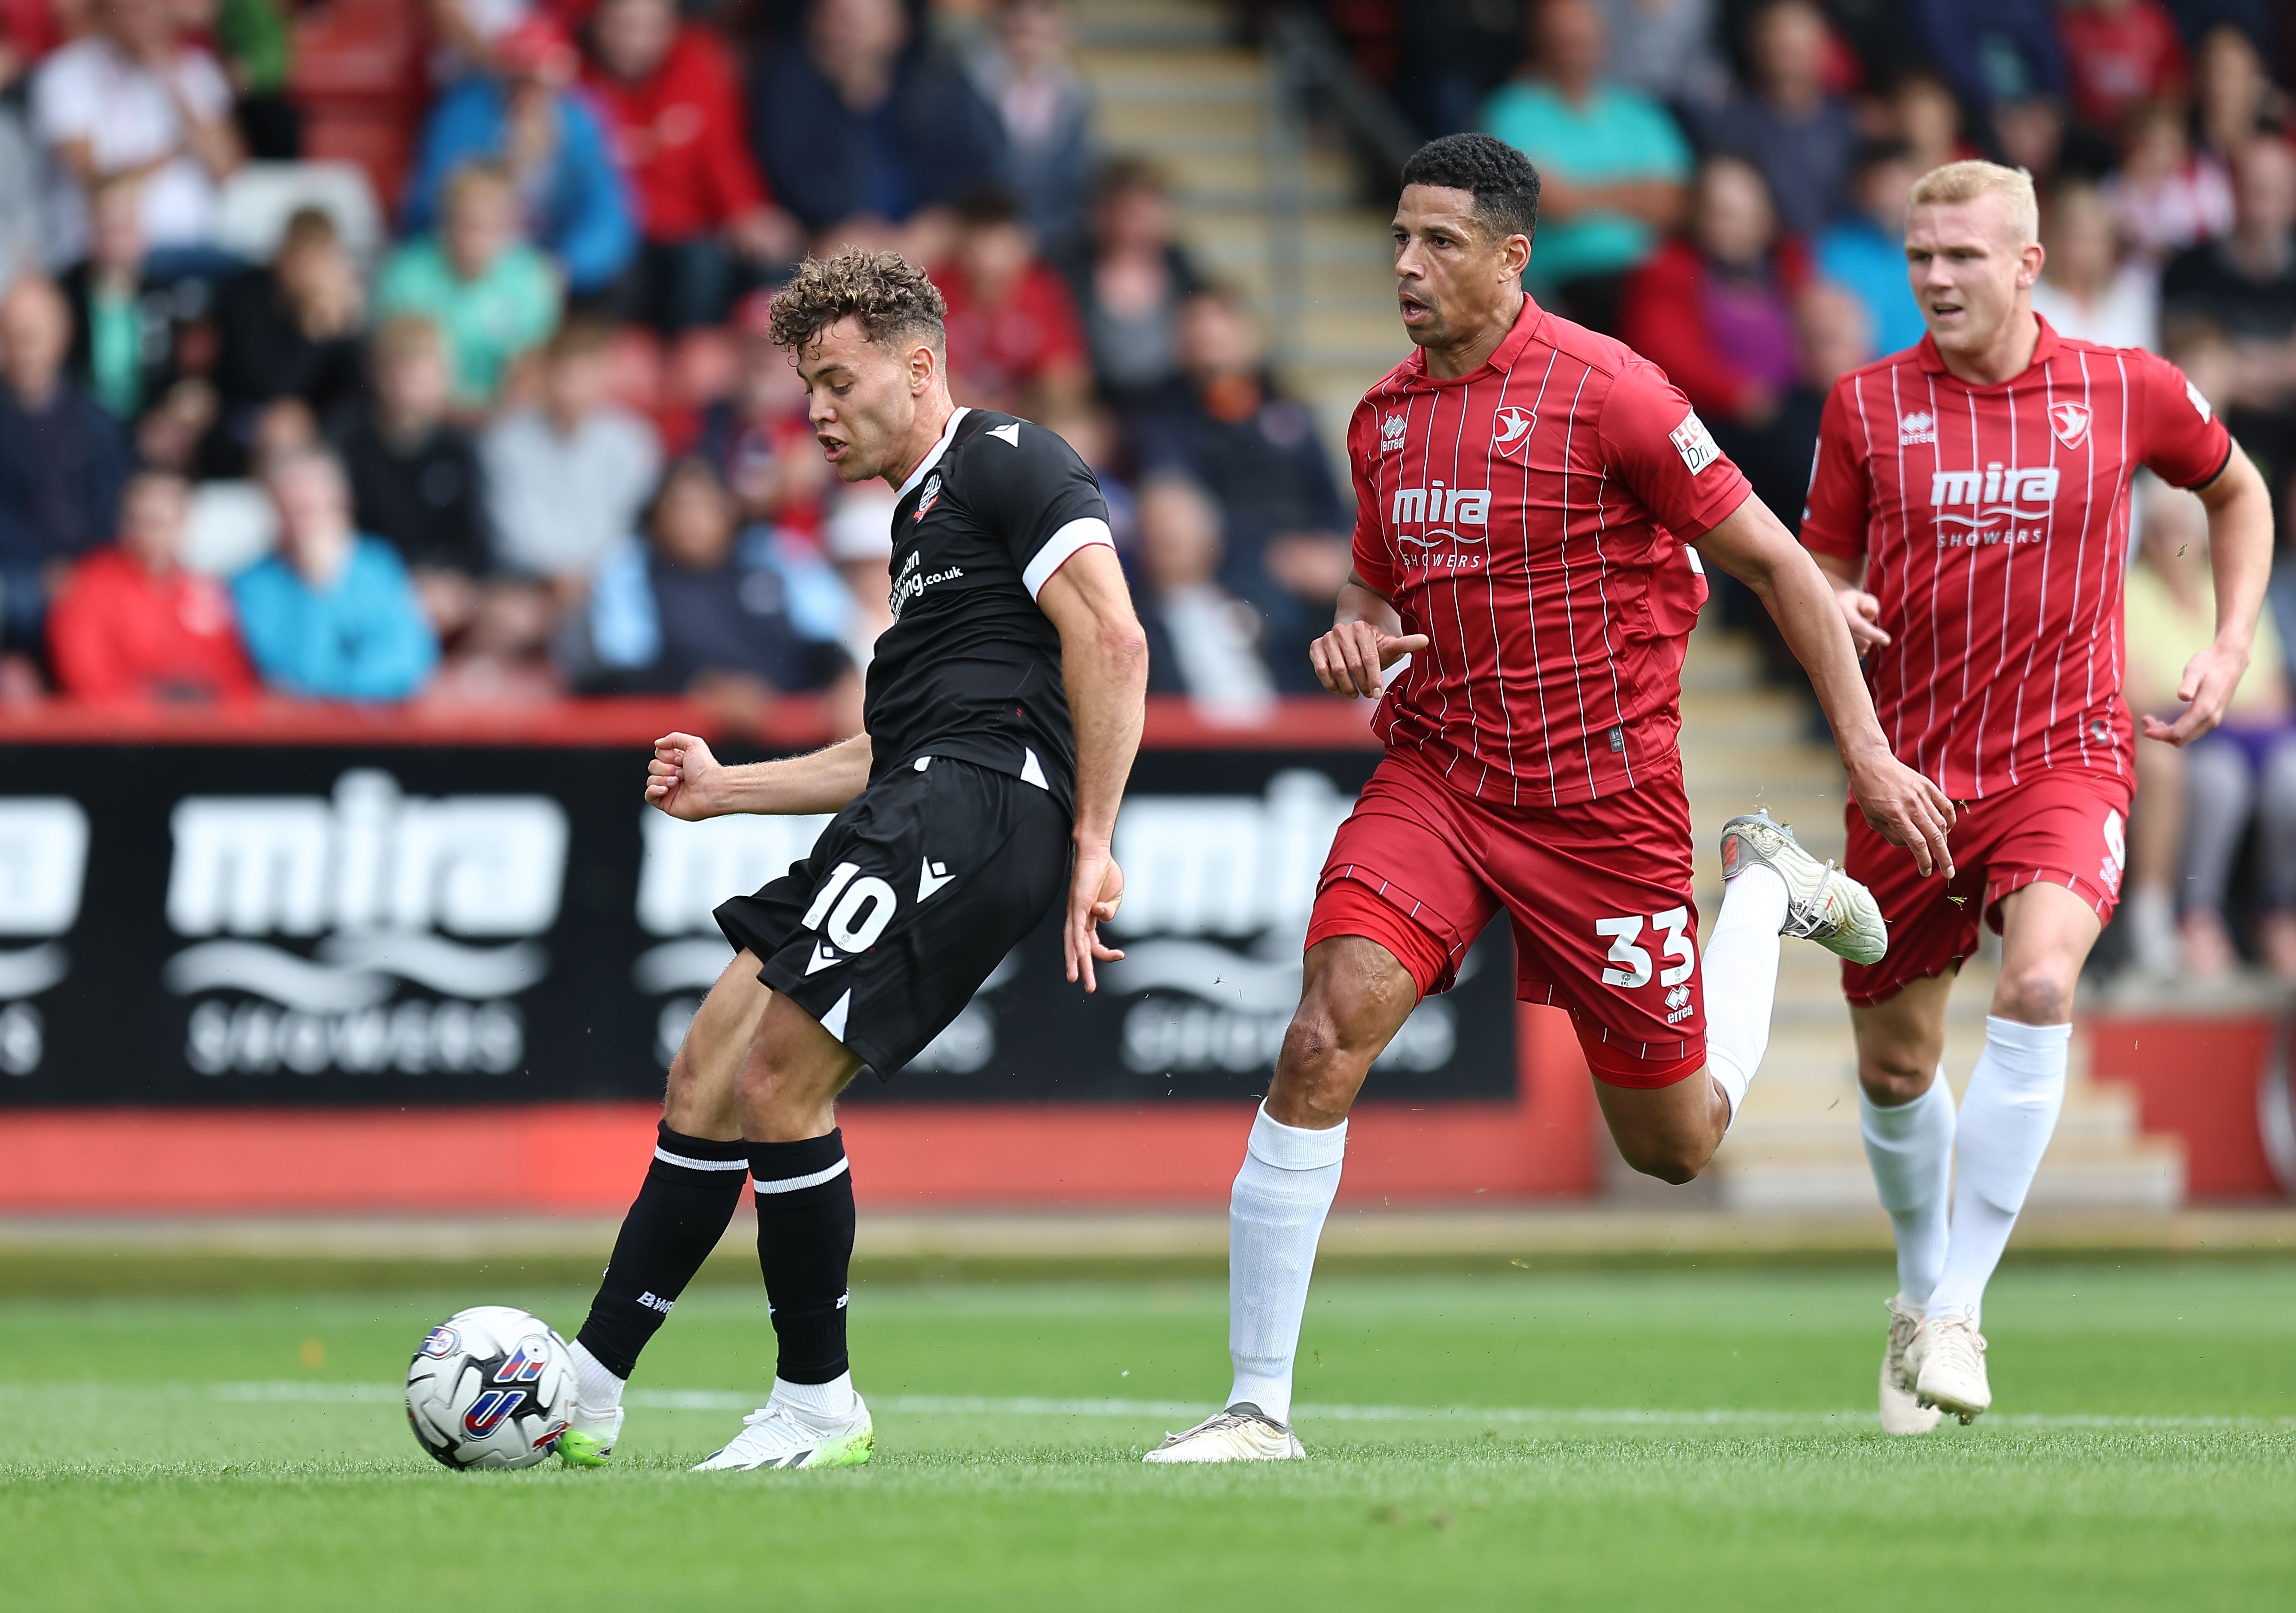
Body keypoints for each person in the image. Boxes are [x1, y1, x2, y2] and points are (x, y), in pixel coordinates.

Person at [1140, 133, 1950, 1464]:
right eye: (1398, 237)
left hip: (1600, 805)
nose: (1405, 263)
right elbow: (1369, 587)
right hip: (1442, 776)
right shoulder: (1381, 419)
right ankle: (1256, 1407)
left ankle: (1755, 895)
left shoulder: (1612, 393)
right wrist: (1351, 631)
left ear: (1514, 257)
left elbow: (1777, 566)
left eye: (1439, 241)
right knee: (1321, 1031)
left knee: (1673, 1147)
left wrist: (1859, 750)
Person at [548, 248, 1146, 1473]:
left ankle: (818, 1402)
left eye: (836, 380)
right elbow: (897, 745)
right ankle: (592, 1387)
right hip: (927, 792)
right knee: (713, 1057)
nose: (816, 411)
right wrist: (728, 792)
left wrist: (1095, 840)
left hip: (985, 808)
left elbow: (1116, 636)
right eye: (805, 386)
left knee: (779, 1075)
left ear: (919, 365)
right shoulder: (920, 516)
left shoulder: (1005, 457)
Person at [1800, 160, 2270, 1433]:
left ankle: (1956, 1309)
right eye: (1917, 258)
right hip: (1903, 776)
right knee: (1894, 1069)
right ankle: (1916, 1288)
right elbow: (1815, 574)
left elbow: (2234, 488)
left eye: (1960, 256)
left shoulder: (2121, 387)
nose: (1935, 279)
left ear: (2024, 263)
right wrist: (1827, 602)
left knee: (2040, 982)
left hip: (2060, 756)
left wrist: (2226, 644)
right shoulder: (1860, 407)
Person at [2122, 478, 2296, 980]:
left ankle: (2280, 910)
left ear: (2200, 534)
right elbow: (2139, 694)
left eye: (2178, 528)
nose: (2167, 540)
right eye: (2156, 529)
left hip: (2245, 738)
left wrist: (2220, 705)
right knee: (2219, 780)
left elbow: (2276, 689)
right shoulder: (2132, 594)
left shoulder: (2230, 589)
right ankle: (2198, 915)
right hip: (2184, 744)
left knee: (2290, 776)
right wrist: (2227, 704)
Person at [1135, 287, 1351, 686]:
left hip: (1315, 567)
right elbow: (1181, 511)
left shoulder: (1291, 412)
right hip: (1232, 575)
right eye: (1198, 337)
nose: (1210, 346)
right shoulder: (1167, 421)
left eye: (1221, 332)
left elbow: (1332, 499)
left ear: (1250, 337)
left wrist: (1338, 553)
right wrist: (1274, 553)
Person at [577, 454, 855, 717]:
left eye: (706, 503)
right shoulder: (631, 571)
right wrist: (701, 689)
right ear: (656, 515)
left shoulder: (771, 555)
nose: (693, 519)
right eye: (680, 505)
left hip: (789, 737)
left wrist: (845, 679)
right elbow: (619, 671)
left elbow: (824, 642)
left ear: (730, 510)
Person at [582, 0, 799, 332]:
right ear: (597, 25)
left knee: (737, 261)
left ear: (670, 28)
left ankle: (696, 363)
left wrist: (746, 211)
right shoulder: (575, 80)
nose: (633, 40)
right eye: (621, 25)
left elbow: (721, 152)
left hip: (692, 231)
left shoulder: (696, 63)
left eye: (648, 27)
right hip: (618, 232)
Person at [1480, 0, 1691, 334]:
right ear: (1539, 40)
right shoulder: (1512, 111)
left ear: (1605, 40)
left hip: (1648, 277)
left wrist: (1581, 192)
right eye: (1563, 37)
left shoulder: (1640, 112)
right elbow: (1549, 201)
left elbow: (1676, 203)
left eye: (1583, 37)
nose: (1574, 48)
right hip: (1565, 279)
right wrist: (1637, 192)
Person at [402, 15, 637, 299]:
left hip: (550, 260)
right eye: (519, 81)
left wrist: (566, 266)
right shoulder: (462, 116)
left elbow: (609, 215)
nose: (529, 95)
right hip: (469, 253)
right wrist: (507, 167)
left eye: (541, 84)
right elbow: (428, 203)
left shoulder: (582, 123)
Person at [750, 0, 1003, 249]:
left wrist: (938, 226)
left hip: (927, 244)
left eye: (853, 24)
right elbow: (794, 188)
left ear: (899, 28)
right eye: (830, 19)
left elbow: (972, 179)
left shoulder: (935, 88)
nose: (840, 35)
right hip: (830, 245)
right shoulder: (786, 88)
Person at [29, 0, 243, 271]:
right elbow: (100, 183)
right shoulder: (65, 72)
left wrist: (168, 75)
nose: (147, 16)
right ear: (107, 11)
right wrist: (175, 152)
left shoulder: (197, 70)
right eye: (136, 7)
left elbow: (228, 171)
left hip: (196, 250)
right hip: (103, 259)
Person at [232, 443, 441, 700]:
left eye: (324, 507)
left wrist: (342, 688)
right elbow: (299, 677)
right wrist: (317, 584)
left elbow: (410, 662)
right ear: (276, 511)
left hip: (383, 729)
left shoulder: (378, 562)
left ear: (345, 504)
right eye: (300, 510)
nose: (312, 525)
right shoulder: (253, 585)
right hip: (305, 736)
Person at [331, 314, 493, 638]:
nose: (409, 386)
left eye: (422, 373)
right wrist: (399, 586)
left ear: (444, 376)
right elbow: (337, 539)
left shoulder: (461, 449)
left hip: (446, 590)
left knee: (506, 615)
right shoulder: (345, 441)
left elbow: (478, 546)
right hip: (365, 586)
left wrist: (451, 584)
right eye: (400, 372)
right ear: (376, 373)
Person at [0, 276, 129, 665]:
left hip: (91, 575)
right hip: (16, 577)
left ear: (63, 336)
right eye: (10, 336)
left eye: (32, 336)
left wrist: (82, 572)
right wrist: (43, 570)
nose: (21, 350)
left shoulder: (98, 420)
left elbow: (114, 504)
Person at [46, 465, 257, 701]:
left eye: (161, 523)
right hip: (118, 733)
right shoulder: (89, 584)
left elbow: (235, 679)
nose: (149, 534)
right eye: (140, 521)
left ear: (184, 521)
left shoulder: (205, 590)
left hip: (201, 732)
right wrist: (158, 700)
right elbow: (86, 677)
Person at [481, 318, 662, 586]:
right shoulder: (504, 441)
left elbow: (630, 526)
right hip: (527, 582)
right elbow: (510, 531)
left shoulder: (634, 442)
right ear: (545, 374)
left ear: (604, 374)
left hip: (609, 583)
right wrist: (558, 574)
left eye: (585, 374)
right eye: (565, 374)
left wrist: (586, 575)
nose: (573, 389)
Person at [376, 160, 564, 409]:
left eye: (490, 226)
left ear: (510, 226)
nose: (476, 238)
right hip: (421, 413)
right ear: (445, 221)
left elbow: (533, 372)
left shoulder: (532, 278)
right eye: (466, 223)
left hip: (504, 417)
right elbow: (394, 370)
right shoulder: (405, 274)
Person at [210, 207, 367, 473]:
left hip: (315, 423)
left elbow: (355, 390)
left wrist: (346, 322)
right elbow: (264, 383)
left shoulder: (338, 305)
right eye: (303, 257)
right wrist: (312, 330)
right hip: (243, 415)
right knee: (281, 427)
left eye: (320, 259)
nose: (310, 270)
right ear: (284, 254)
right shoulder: (249, 293)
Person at [1697, 0, 1860, 240]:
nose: (1786, 43)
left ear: (1824, 46)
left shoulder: (1848, 123)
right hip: (1767, 263)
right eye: (1776, 33)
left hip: (1841, 257)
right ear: (1757, 46)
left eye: (1798, 36)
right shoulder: (1730, 122)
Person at [1132, 471, 1276, 725]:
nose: (1165, 528)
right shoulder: (1137, 626)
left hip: (1281, 743)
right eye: (1156, 520)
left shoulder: (1259, 604)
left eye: (1178, 518)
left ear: (1214, 539)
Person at [1057, 158, 1204, 406]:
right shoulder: (1070, 270)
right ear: (1102, 214)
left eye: (1146, 210)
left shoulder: (1183, 268)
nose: (1135, 223)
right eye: (1126, 210)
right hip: (1093, 404)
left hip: (1172, 403)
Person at [932, 189, 1090, 419]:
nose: (987, 257)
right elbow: (924, 371)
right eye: (979, 242)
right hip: (953, 418)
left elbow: (1067, 374)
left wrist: (1023, 403)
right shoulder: (935, 289)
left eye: (998, 242)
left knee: (1080, 431)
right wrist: (980, 411)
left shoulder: (1043, 290)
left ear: (1022, 244)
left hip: (1026, 417)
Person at [966, 0, 1093, 252]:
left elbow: (1076, 187)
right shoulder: (962, 89)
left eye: (1044, 10)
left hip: (1048, 246)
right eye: (1017, 9)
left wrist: (1034, 237)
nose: (1029, 19)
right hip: (974, 241)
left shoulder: (1075, 99)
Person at [1815, 141, 1927, 359]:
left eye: (1893, 183)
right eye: (1876, 184)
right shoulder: (1836, 248)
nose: (1884, 196)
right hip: (1871, 377)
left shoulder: (1940, 244)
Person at [2032, 177, 2159, 351]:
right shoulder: (2031, 298)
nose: (2090, 251)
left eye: (2098, 240)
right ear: (2056, 239)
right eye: (2080, 239)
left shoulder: (2132, 294)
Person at [2054, 0, 2188, 136]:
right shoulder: (2072, 26)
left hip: (2141, 131)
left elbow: (2172, 85)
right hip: (2088, 131)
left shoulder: (2155, 24)